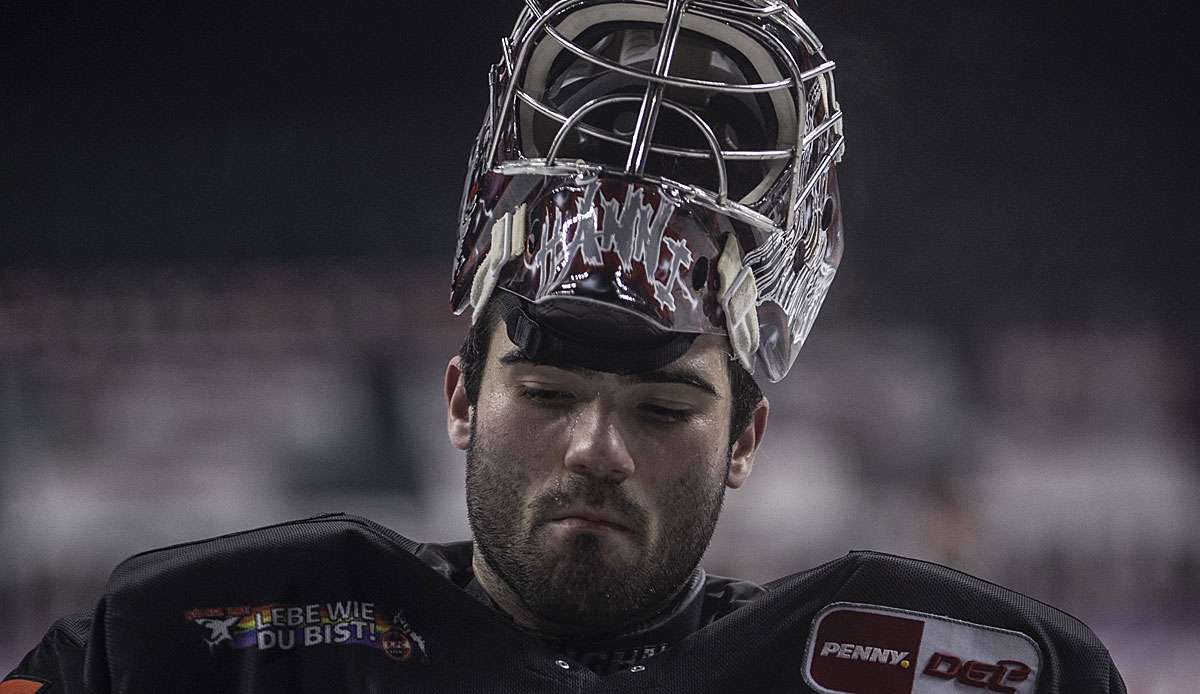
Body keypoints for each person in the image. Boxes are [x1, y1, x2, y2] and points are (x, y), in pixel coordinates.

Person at [5, 1, 1124, 692]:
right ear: (458, 397)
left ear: (748, 438)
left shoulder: (991, 670)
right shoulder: (177, 644)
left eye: (663, 410)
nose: (596, 448)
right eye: (545, 390)